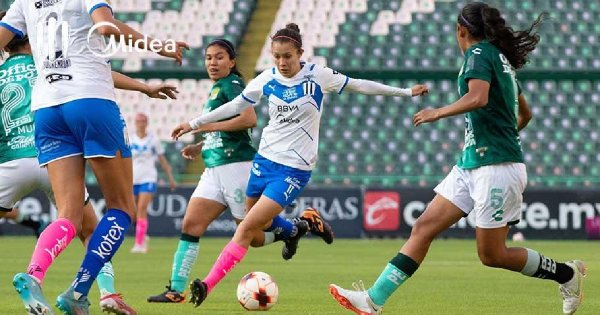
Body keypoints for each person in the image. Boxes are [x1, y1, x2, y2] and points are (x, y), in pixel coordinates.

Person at [328, 3, 585, 315]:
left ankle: (567, 275)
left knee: (492, 255)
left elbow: (478, 97)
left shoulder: (478, 55)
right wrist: (502, 135)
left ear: (461, 31)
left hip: (495, 167)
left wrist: (438, 112)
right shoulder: (500, 59)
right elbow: (525, 113)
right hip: (472, 164)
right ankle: (372, 300)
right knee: (423, 227)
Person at [171, 23, 428, 307]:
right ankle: (301, 226)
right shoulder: (266, 78)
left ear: (300, 53)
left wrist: (404, 93)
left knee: (243, 231)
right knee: (256, 234)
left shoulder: (318, 76)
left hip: (293, 170)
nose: (282, 63)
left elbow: (358, 85)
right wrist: (194, 124)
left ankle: (207, 285)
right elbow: (235, 107)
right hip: (262, 163)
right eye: (277, 56)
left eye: (288, 56)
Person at [0, 1, 187, 314]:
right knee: (122, 208)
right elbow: (105, 27)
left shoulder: (22, 2)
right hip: (90, 100)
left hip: (46, 109)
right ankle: (80, 291)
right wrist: (160, 46)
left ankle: (35, 275)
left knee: (69, 215)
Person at [148, 38, 333, 303]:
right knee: (191, 224)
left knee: (253, 235)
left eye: (220, 57)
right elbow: (228, 130)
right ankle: (176, 289)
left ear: (232, 62)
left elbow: (248, 119)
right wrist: (202, 146)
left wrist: (203, 129)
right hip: (214, 168)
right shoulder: (217, 88)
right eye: (209, 58)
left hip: (237, 166)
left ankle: (297, 227)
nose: (213, 62)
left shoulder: (233, 84)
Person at [130, 112, 177, 253]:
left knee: (142, 209)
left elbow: (162, 160)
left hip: (148, 178)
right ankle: (143, 235)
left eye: (143, 121)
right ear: (135, 123)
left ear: (147, 123)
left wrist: (171, 178)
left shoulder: (153, 140)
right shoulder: (130, 139)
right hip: (133, 178)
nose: (141, 124)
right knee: (132, 212)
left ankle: (139, 244)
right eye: (138, 121)